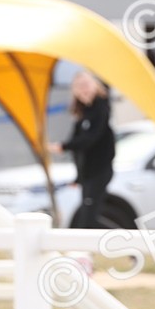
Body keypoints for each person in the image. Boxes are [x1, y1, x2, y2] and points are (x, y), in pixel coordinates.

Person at [48, 71, 115, 229]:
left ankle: (130, 242)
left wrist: (64, 146)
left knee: (89, 220)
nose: (83, 90)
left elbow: (89, 140)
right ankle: (89, 253)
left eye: (86, 85)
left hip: (99, 172)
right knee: (86, 219)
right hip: (88, 175)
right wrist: (78, 177)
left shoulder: (100, 108)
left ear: (95, 86)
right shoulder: (83, 113)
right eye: (79, 87)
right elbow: (79, 150)